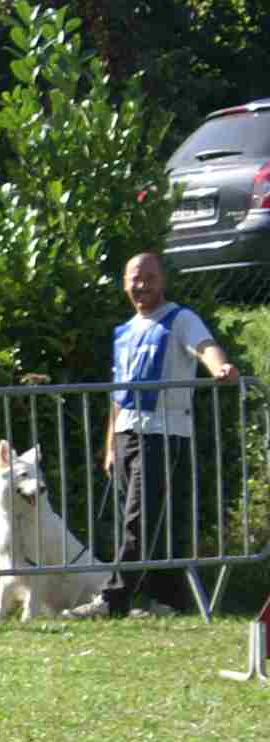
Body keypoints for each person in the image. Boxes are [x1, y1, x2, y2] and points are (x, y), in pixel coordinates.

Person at [66, 251, 242, 619]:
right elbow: (119, 393)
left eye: (149, 277)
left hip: (164, 434)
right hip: (126, 435)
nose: (141, 285)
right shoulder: (125, 331)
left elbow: (205, 347)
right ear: (124, 283)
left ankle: (112, 599)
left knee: (140, 519)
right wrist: (110, 446)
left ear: (163, 280)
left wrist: (221, 367)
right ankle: (169, 601)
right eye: (134, 278)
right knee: (152, 521)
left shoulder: (181, 319)